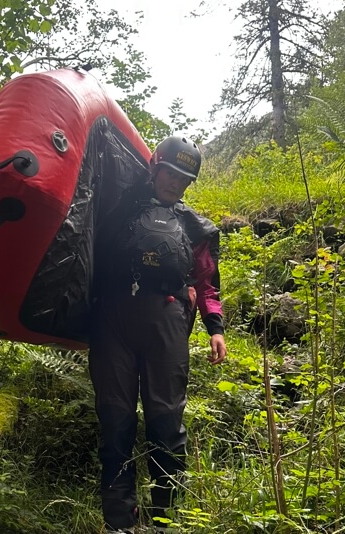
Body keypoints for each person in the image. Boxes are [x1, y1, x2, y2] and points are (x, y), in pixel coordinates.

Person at [88, 135, 227, 533]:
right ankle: (120, 522)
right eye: (172, 173)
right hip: (112, 322)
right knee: (115, 420)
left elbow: (207, 282)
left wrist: (215, 327)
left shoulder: (190, 225)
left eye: (185, 179)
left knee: (166, 422)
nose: (177, 183)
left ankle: (164, 519)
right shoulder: (114, 207)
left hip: (165, 323)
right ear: (155, 167)